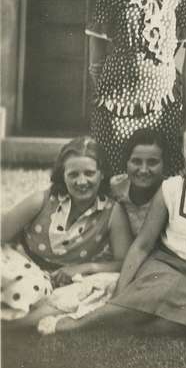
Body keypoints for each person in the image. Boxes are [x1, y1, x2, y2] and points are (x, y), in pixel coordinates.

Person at [43, 116, 186, 338]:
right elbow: (142, 245)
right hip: (164, 268)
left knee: (171, 326)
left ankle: (115, 327)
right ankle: (75, 326)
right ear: (183, 152)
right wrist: (121, 294)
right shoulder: (171, 188)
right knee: (161, 292)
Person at [87, 0, 186, 175]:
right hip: (116, 97)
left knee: (163, 170)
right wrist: (102, 85)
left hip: (162, 98)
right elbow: (96, 48)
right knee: (115, 170)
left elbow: (177, 45)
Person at [2, 137, 130, 329]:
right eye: (73, 174)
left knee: (107, 285)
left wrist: (85, 268)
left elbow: (123, 262)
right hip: (22, 265)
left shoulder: (112, 212)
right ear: (62, 175)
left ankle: (11, 326)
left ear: (102, 174)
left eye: (89, 173)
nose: (81, 181)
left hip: (63, 284)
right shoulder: (43, 200)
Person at [108, 129, 167, 236]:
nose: (143, 170)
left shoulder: (171, 192)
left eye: (152, 162)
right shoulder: (115, 187)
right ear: (126, 162)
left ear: (164, 164)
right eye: (136, 161)